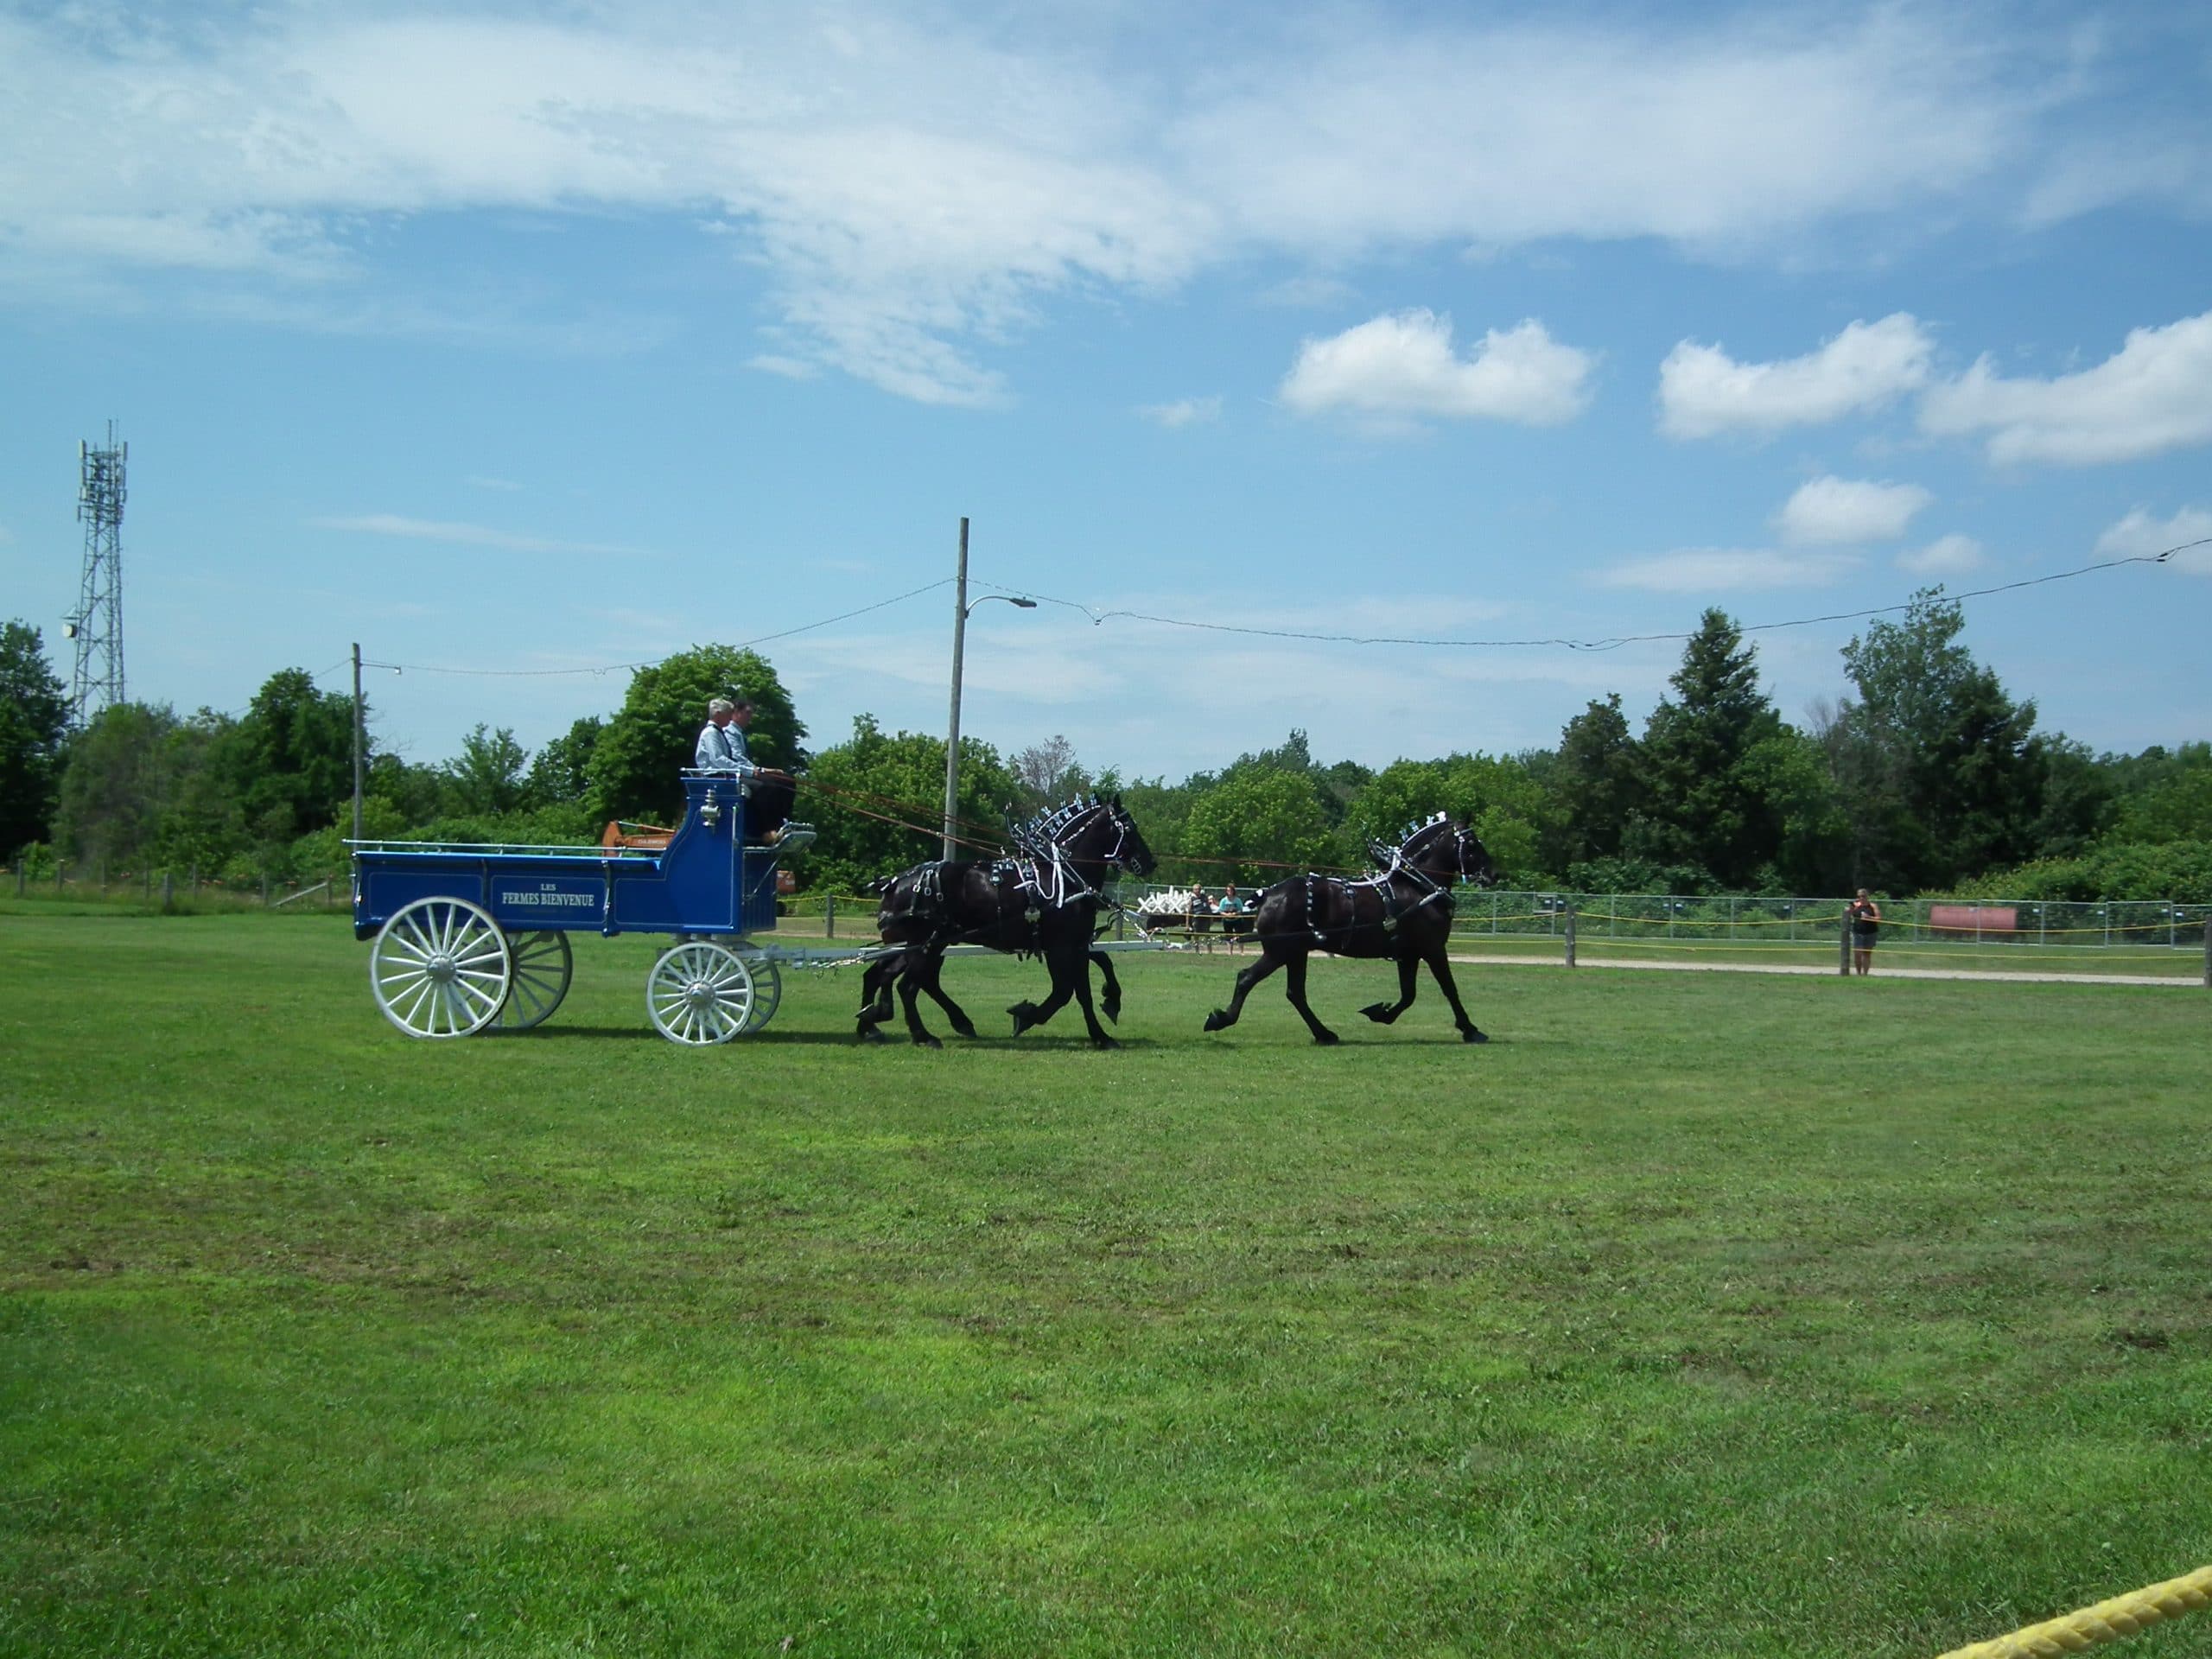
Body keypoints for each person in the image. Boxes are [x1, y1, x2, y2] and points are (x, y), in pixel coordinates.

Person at [693, 694, 795, 841]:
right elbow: (719, 760)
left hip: (726, 773)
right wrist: (750, 772)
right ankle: (765, 830)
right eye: (728, 714)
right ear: (718, 714)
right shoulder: (711, 733)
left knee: (781, 783)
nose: (730, 718)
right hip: (716, 776)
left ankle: (778, 824)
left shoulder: (718, 732)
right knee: (763, 787)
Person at [1847, 888, 1881, 976]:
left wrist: (1869, 917)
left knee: (1867, 954)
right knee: (1857, 954)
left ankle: (1865, 974)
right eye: (1859, 896)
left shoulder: (1873, 906)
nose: (1861, 898)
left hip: (1870, 932)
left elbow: (1879, 918)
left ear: (1867, 896)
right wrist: (1850, 908)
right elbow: (1848, 914)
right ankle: (1858, 974)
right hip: (1857, 932)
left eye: (1863, 896)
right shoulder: (1855, 905)